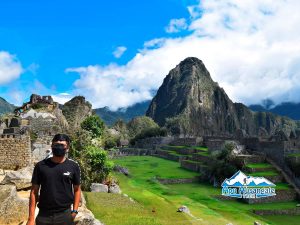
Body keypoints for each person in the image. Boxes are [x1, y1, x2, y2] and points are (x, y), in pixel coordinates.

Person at [26, 134, 81, 225]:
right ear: (51, 146)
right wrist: (31, 219)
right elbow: (33, 192)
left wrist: (74, 211)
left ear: (67, 148)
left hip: (65, 215)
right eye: (56, 145)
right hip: (44, 216)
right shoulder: (40, 166)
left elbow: (77, 189)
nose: (59, 147)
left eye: (62, 145)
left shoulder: (73, 166)